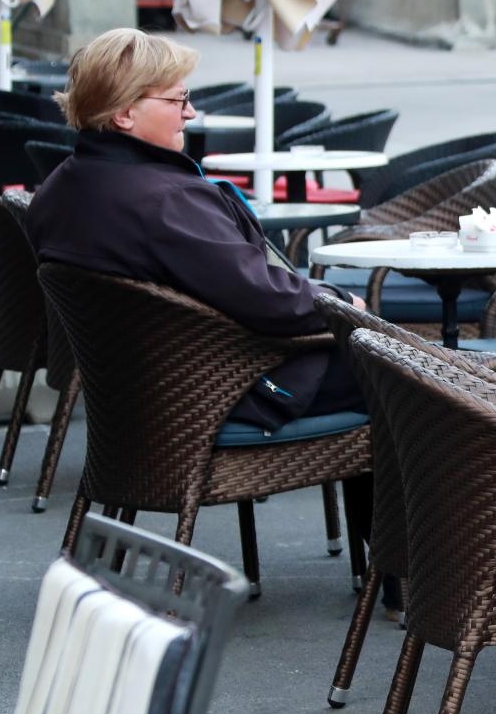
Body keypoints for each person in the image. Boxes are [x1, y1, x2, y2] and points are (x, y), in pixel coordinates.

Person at [25, 28, 366, 431]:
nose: (190, 112)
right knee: (415, 388)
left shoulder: (57, 189)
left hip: (144, 394)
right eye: (178, 98)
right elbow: (264, 297)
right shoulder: (166, 202)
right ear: (124, 113)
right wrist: (341, 301)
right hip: (230, 390)